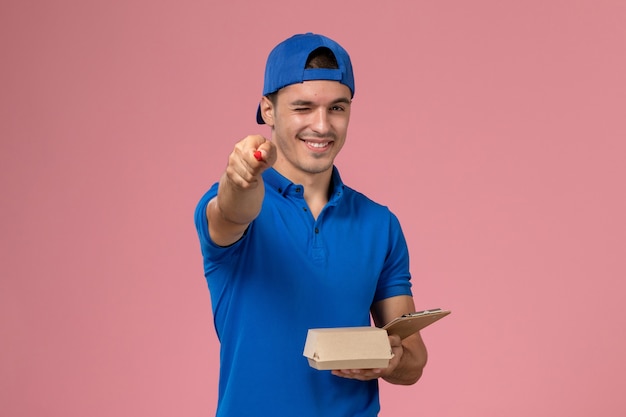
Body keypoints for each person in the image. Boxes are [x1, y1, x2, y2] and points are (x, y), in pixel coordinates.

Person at [194, 32, 427, 417]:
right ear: (268, 110)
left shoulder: (380, 224)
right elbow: (234, 212)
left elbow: (414, 359)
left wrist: (390, 360)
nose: (322, 126)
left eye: (337, 108)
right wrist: (241, 179)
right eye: (303, 108)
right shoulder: (227, 204)